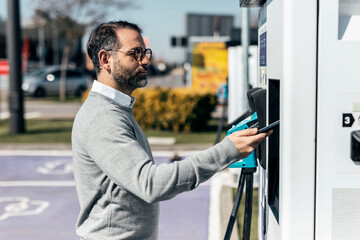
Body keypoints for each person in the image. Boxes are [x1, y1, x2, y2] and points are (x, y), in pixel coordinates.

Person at [72, 20, 270, 240]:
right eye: (135, 53)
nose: (146, 60)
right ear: (105, 59)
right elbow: (150, 183)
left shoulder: (115, 108)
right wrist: (228, 151)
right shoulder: (103, 117)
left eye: (145, 52)